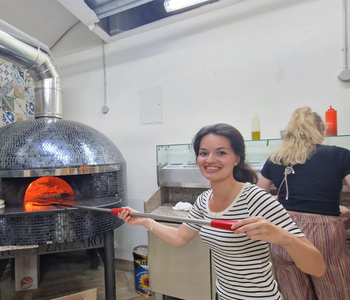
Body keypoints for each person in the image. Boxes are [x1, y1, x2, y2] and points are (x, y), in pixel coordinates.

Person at [118, 123, 325, 300]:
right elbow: (180, 237)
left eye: (221, 153)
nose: (210, 160)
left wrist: (282, 237)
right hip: (223, 294)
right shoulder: (203, 201)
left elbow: (317, 267)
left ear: (237, 158)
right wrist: (145, 221)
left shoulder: (255, 199)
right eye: (203, 153)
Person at [257, 107, 350, 300]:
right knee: (334, 291)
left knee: (294, 294)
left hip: (283, 230)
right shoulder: (340, 155)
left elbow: (259, 197)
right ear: (321, 129)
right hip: (325, 233)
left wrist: (282, 201)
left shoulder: (275, 158)